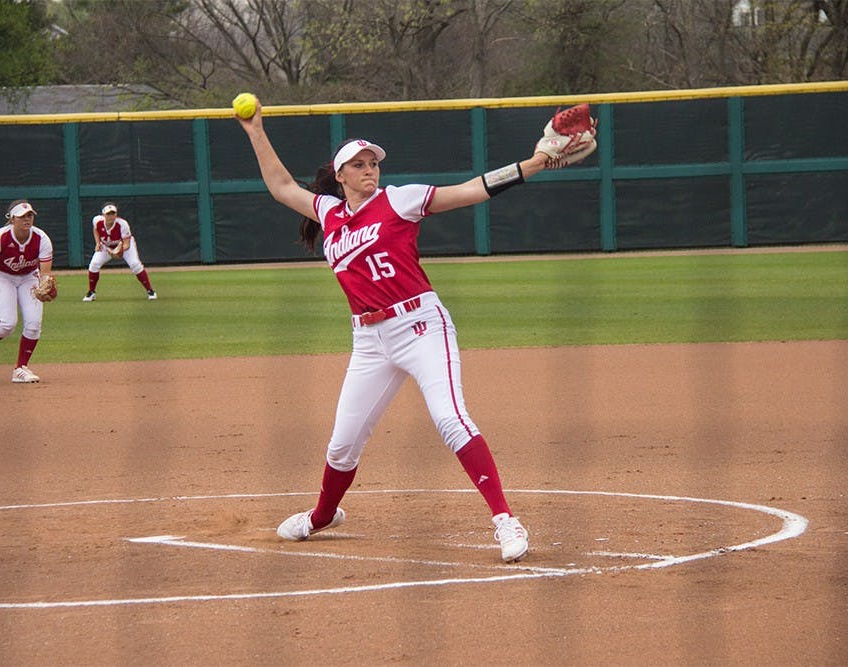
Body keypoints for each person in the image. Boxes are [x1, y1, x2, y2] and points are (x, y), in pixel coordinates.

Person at [236, 99, 596, 563]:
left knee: (450, 418)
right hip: (369, 341)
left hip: (421, 326)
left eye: (373, 164)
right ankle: (322, 515)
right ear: (340, 176)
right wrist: (255, 130)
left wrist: (535, 163)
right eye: (358, 165)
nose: (370, 171)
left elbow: (471, 190)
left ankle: (504, 520)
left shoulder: (398, 200)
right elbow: (282, 186)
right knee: (343, 443)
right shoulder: (327, 212)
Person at [0, 199, 54, 384]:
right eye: (22, 216)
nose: (27, 219)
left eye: (30, 215)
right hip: (1, 276)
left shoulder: (41, 239)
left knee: (33, 324)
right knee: (7, 323)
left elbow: (45, 272)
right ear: (12, 219)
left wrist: (45, 285)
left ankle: (20, 369)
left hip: (29, 276)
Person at [82, 202, 157, 301]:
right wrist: (97, 243)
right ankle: (91, 292)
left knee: (135, 264)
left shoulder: (122, 224)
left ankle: (150, 290)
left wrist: (118, 251)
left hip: (123, 246)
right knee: (94, 264)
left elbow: (126, 244)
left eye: (113, 213)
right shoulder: (97, 220)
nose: (111, 216)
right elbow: (95, 230)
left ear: (116, 214)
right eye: (108, 214)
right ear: (103, 215)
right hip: (106, 246)